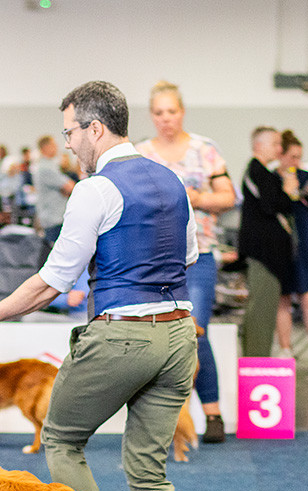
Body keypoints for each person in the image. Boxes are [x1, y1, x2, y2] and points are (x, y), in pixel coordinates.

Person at [0, 80, 219, 491]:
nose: (68, 143)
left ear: (95, 128)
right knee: (150, 471)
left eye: (70, 131)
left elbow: (52, 282)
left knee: (61, 436)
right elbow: (189, 256)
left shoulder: (95, 190)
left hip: (121, 334)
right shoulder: (172, 181)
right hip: (178, 335)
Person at [135, 80, 236, 442]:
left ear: (182, 112)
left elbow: (228, 197)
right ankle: (162, 420)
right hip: (153, 258)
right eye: (159, 113)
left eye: (172, 111)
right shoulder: (140, 154)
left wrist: (194, 197)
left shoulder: (205, 149)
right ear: (152, 116)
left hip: (200, 255)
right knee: (156, 337)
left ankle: (213, 414)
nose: (166, 119)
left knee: (196, 331)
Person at [237, 126, 297, 357]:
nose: (280, 149)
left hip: (270, 254)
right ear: (259, 145)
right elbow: (272, 205)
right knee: (261, 310)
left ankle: (257, 358)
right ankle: (255, 361)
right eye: (275, 144)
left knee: (265, 308)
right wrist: (288, 192)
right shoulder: (257, 171)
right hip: (263, 254)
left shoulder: (264, 173)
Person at [274, 130, 308, 370]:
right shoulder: (273, 179)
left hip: (303, 241)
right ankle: (285, 349)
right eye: (292, 157)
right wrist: (288, 191)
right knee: (283, 298)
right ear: (281, 154)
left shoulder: (305, 176)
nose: (296, 161)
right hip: (282, 242)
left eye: (299, 157)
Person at [33, 134, 75, 243]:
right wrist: (64, 189)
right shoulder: (45, 167)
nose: (57, 147)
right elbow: (70, 187)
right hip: (53, 219)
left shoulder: (51, 165)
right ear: (46, 147)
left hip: (56, 217)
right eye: (54, 145)